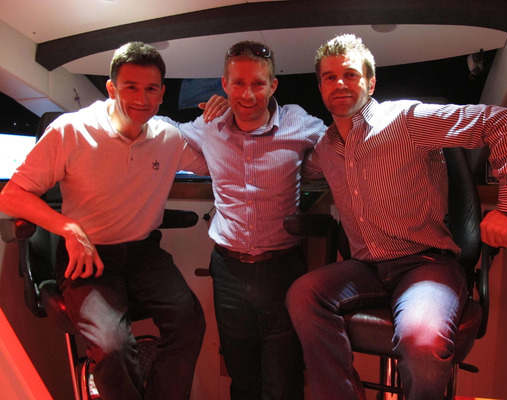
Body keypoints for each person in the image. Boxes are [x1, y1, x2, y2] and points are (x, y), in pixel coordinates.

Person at [285, 34, 507, 400]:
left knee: (421, 342)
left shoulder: (406, 119)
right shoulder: (325, 148)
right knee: (303, 294)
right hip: (366, 267)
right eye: (329, 77)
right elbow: (296, 165)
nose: (340, 84)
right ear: (320, 87)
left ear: (370, 83)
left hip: (425, 263)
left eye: (350, 75)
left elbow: (503, 122)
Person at [0, 42, 211, 400]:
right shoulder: (72, 130)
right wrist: (69, 228)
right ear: (112, 88)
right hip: (88, 257)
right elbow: (11, 195)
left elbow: (216, 163)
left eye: (151, 89)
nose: (142, 99)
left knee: (189, 323)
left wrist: (223, 120)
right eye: (131, 87)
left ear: (162, 93)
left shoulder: (169, 138)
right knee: (113, 349)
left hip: (144, 254)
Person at [170, 41, 327, 400]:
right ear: (224, 85)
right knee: (241, 378)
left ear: (273, 86)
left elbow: (343, 147)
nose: (248, 94)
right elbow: (162, 129)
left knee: (283, 380)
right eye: (238, 83)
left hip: (282, 269)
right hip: (228, 271)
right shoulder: (209, 125)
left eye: (258, 83)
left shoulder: (298, 122)